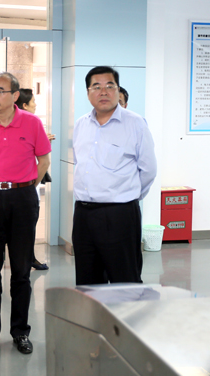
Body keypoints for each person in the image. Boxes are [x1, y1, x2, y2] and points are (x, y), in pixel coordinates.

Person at [0, 72, 51, 355]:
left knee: (21, 270)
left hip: (23, 198)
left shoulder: (32, 123)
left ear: (15, 95)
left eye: (0, 91)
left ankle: (20, 332)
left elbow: (44, 161)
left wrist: (25, 187)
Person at [72, 66, 157, 286]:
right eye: (96, 87)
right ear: (88, 93)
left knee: (125, 280)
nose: (103, 92)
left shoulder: (135, 123)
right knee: (87, 281)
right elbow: (80, 163)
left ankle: (126, 312)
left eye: (109, 86)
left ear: (118, 90)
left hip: (119, 215)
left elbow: (148, 169)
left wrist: (128, 197)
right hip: (83, 214)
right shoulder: (81, 124)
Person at [14, 88, 53, 271]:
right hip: (26, 184)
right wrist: (30, 186)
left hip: (29, 183)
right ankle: (27, 258)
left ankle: (28, 257)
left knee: (28, 224)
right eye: (33, 102)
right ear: (24, 105)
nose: (36, 105)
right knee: (26, 225)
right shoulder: (25, 125)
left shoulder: (32, 125)